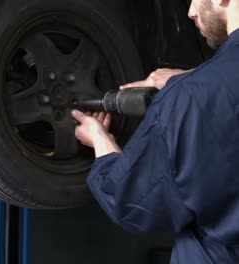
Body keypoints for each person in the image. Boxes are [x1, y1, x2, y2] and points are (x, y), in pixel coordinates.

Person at [72, 0, 239, 263]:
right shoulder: (192, 93)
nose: (191, 12)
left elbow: (130, 202)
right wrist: (193, 77)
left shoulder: (188, 97)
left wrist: (100, 141)